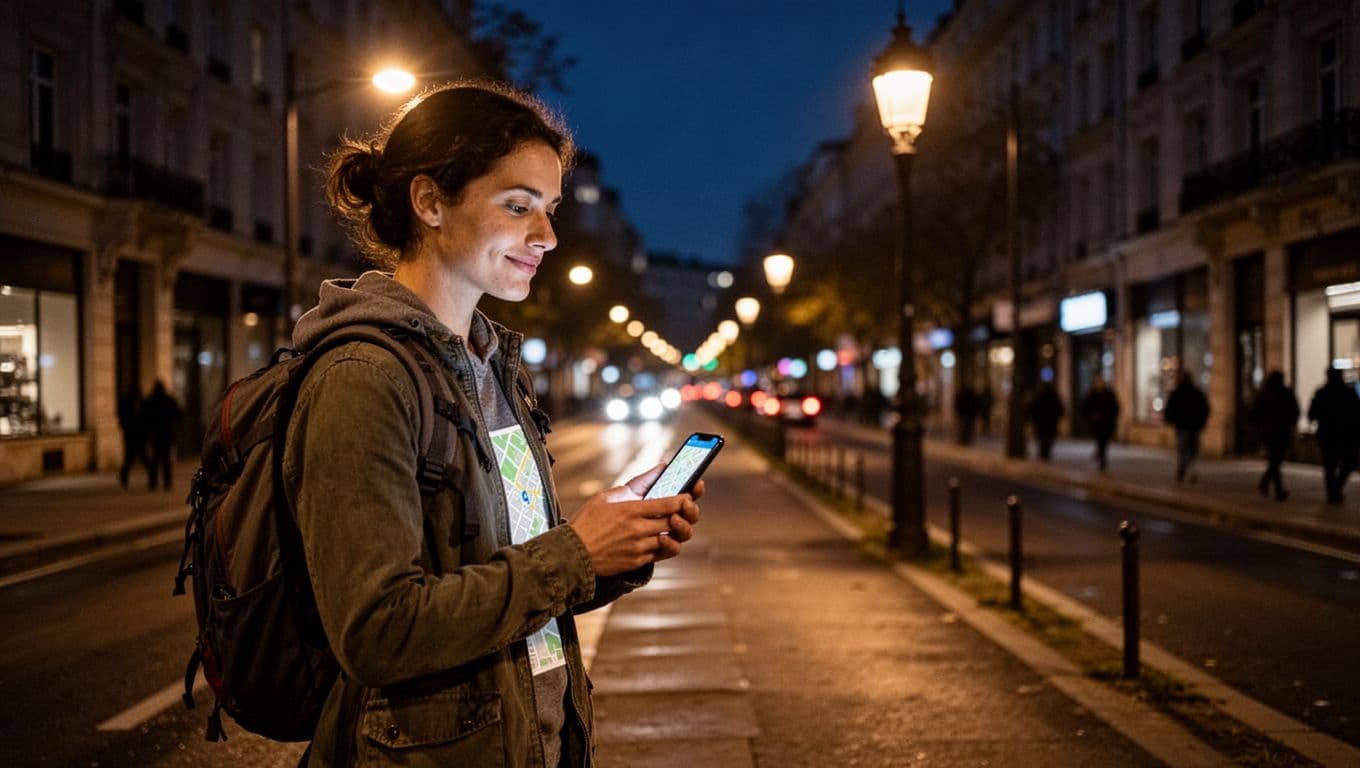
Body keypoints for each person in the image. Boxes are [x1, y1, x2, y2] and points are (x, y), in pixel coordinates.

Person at [290, 81, 704, 767]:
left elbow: (506, 582)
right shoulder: (363, 377)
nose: (547, 237)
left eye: (550, 209)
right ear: (429, 202)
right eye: (519, 207)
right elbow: (377, 631)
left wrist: (615, 552)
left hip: (532, 742)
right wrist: (576, 552)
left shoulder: (492, 365)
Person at [1307, 367, 1360, 504]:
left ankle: (1334, 489)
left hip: (1329, 434)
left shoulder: (1323, 393)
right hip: (1343, 435)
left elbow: (1312, 414)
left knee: (1331, 465)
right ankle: (1334, 489)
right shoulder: (1348, 393)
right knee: (1346, 463)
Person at [1249, 370, 1300, 502]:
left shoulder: (1266, 394)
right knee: (1275, 461)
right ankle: (1276, 489)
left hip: (1273, 432)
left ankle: (1266, 483)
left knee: (1275, 461)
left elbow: (1254, 413)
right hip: (1277, 432)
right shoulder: (1281, 394)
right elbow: (1295, 411)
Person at [1163, 372, 1210, 483]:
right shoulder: (1196, 392)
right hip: (1193, 426)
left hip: (1183, 426)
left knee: (1184, 448)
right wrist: (1202, 422)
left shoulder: (1178, 393)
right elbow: (1205, 408)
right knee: (1192, 448)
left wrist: (1170, 420)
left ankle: (1184, 469)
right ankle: (1189, 469)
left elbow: (1170, 409)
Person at [140, 380, 180, 491]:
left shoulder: (150, 401)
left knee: (155, 459)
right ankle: (167, 482)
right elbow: (178, 414)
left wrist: (147, 432)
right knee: (166, 460)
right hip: (166, 433)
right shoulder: (168, 400)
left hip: (155, 434)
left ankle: (153, 482)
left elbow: (143, 417)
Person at [1080, 375, 1120, 471]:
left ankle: (1101, 457)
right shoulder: (1093, 394)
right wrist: (1091, 417)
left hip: (1106, 423)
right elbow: (1085, 407)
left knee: (1104, 441)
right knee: (1100, 440)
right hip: (1096, 424)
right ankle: (1100, 455)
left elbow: (1115, 408)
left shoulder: (1109, 394)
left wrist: (1108, 416)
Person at [117, 388, 148, 489]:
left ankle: (124, 477)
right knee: (133, 457)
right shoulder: (138, 404)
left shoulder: (140, 403)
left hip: (134, 434)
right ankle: (124, 477)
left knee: (134, 457)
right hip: (134, 434)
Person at [1027, 380, 1065, 461]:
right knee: (1049, 437)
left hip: (1041, 421)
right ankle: (1045, 452)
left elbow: (1033, 408)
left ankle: (1043, 452)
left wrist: (1032, 418)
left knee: (1042, 437)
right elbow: (1060, 408)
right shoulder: (1053, 395)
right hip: (1050, 422)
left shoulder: (1039, 395)